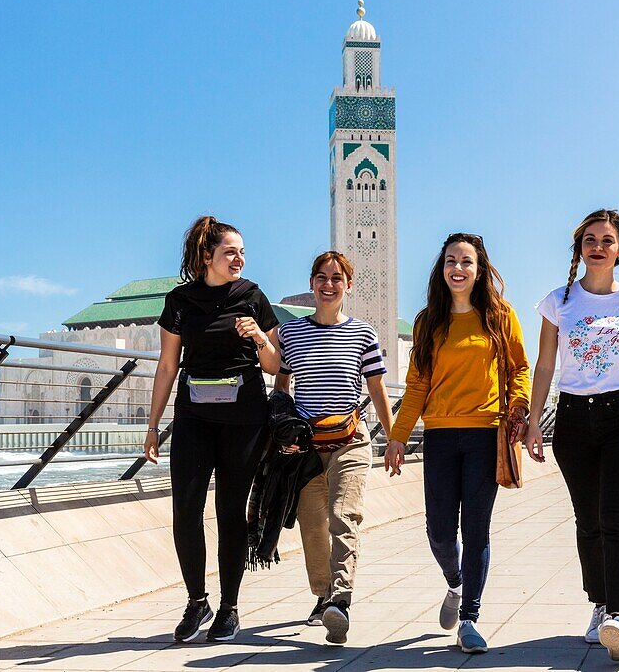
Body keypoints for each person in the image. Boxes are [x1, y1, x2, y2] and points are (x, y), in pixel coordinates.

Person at [522, 209, 619, 662]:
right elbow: (545, 365)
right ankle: (600, 603)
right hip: (572, 421)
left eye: (607, 239)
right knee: (588, 521)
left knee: (617, 518)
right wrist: (532, 421)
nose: (598, 246)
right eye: (589, 239)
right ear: (579, 248)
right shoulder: (558, 301)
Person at [384, 233, 531, 655]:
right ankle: (455, 582)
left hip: (486, 434)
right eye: (451, 261)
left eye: (467, 261)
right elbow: (416, 386)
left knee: (476, 529)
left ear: (479, 268)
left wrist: (519, 406)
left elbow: (520, 366)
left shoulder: (500, 315)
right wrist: (397, 436)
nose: (459, 269)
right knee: (439, 531)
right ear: (442, 268)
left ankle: (470, 617)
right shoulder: (428, 320)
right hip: (441, 436)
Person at [144, 216, 280, 643]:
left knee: (229, 512)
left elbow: (276, 365)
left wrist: (259, 336)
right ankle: (196, 600)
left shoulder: (253, 296)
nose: (239, 258)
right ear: (207, 256)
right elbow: (167, 366)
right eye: (230, 252)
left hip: (244, 418)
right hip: (193, 417)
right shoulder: (180, 301)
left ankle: (229, 607)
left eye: (242, 252)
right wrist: (153, 425)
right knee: (185, 509)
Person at [265, 251, 395, 645]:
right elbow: (281, 387)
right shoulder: (290, 333)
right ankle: (322, 596)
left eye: (337, 279)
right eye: (321, 277)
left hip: (351, 441)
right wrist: (282, 432)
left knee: (344, 515)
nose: (328, 285)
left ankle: (341, 597)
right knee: (312, 525)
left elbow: (376, 388)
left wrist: (395, 438)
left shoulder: (364, 333)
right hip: (305, 448)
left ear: (348, 286)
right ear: (312, 283)